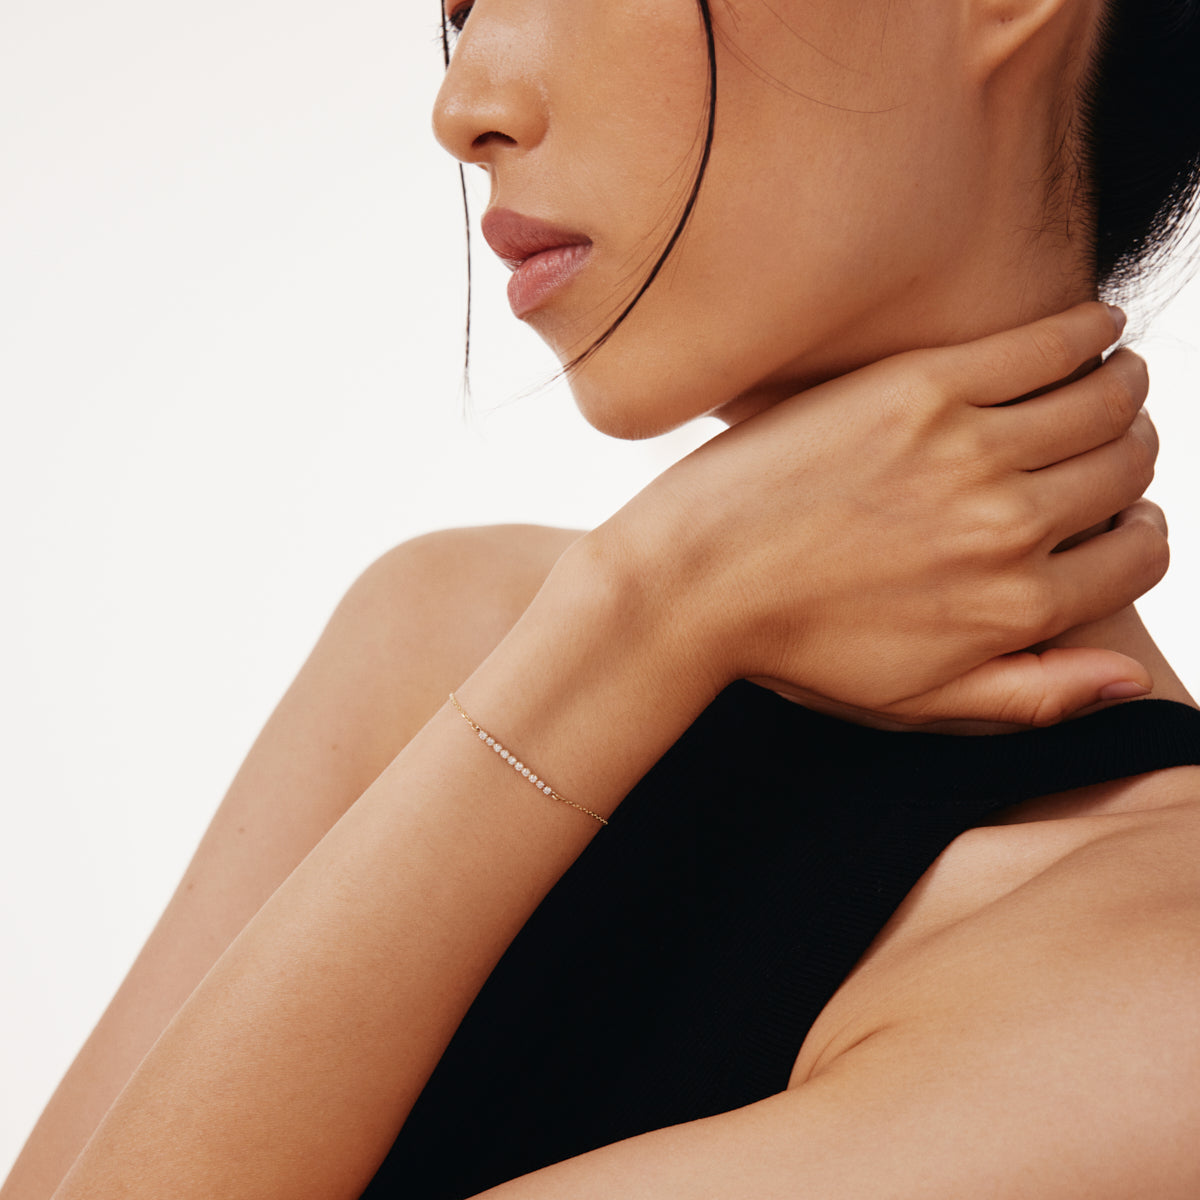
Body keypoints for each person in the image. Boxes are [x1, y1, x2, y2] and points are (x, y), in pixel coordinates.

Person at [4, 0, 1198, 1196]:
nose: (463, 108)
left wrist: (642, 617)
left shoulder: (1148, 1005)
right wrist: (646, 609)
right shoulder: (459, 638)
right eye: (463, 8)